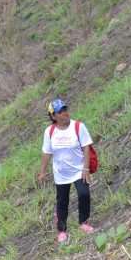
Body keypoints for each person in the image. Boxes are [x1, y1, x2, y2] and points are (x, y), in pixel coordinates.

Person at [38, 98, 94, 244]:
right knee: (62, 201)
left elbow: (86, 147)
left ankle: (83, 222)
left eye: (65, 110)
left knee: (84, 194)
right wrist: (42, 172)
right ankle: (62, 230)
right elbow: (47, 152)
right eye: (60, 112)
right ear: (53, 116)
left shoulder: (78, 127)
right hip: (61, 173)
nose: (64, 113)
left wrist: (86, 168)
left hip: (79, 170)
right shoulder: (49, 132)